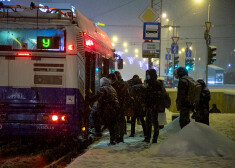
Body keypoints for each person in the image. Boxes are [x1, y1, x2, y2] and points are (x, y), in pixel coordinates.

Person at [89, 77, 119, 145]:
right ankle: (113, 139)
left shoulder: (103, 88)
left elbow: (98, 96)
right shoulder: (111, 88)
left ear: (103, 83)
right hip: (113, 108)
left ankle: (98, 133)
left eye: (100, 82)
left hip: (108, 109)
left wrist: (89, 100)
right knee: (112, 125)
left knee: (95, 115)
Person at [107, 73, 132, 143]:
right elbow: (127, 97)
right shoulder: (121, 85)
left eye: (109, 79)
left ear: (112, 79)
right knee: (119, 122)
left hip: (117, 107)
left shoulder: (114, 87)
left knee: (116, 122)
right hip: (119, 107)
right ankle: (119, 137)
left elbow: (119, 97)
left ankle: (118, 137)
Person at [144, 69, 164, 143]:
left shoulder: (156, 83)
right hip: (149, 105)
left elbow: (158, 96)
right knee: (148, 123)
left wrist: (155, 104)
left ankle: (154, 138)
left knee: (154, 122)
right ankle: (148, 137)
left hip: (154, 106)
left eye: (148, 74)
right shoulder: (148, 83)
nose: (147, 76)